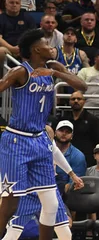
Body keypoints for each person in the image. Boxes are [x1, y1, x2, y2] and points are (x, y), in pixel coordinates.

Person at [0, 28, 87, 240]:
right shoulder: (20, 71)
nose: (52, 48)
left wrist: (56, 74)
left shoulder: (53, 67)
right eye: (47, 45)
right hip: (17, 139)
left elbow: (82, 86)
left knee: (52, 202)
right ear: (37, 49)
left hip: (40, 139)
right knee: (11, 202)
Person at [4, 126, 83, 240]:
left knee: (65, 232)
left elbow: (55, 153)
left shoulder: (46, 134)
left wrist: (72, 174)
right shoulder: (18, 140)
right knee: (14, 231)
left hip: (48, 187)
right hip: (28, 190)